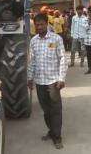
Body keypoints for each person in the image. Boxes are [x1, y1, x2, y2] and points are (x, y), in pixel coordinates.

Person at [27, 13, 67, 149]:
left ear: (47, 24)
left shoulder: (56, 39)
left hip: (53, 81)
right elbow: (32, 61)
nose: (39, 27)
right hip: (40, 81)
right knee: (46, 110)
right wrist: (29, 78)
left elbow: (62, 59)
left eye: (41, 24)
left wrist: (61, 78)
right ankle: (51, 131)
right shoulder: (33, 41)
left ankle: (57, 137)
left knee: (56, 109)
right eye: (36, 25)